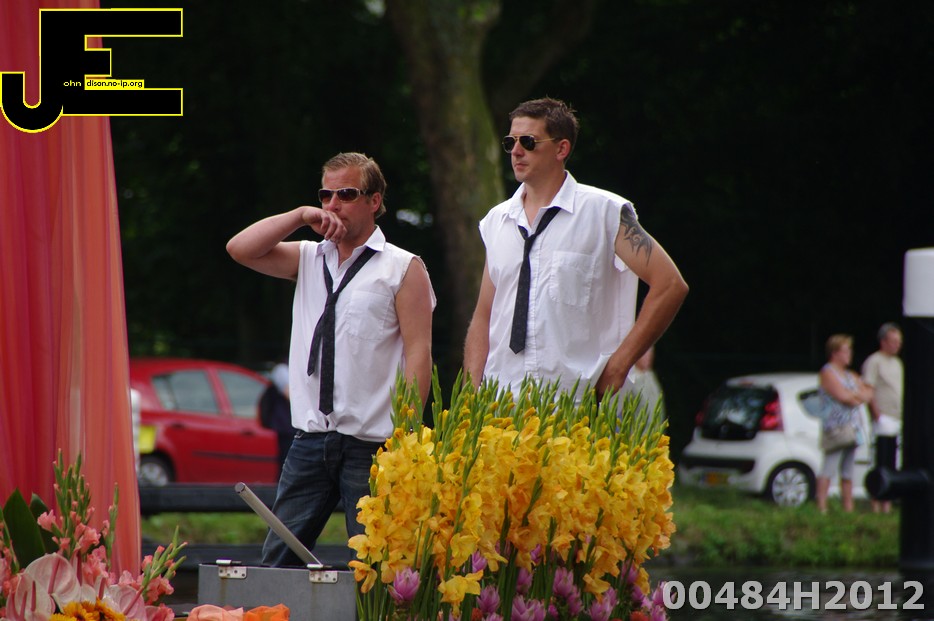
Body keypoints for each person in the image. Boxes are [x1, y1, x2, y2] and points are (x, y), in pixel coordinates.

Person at [227, 152, 435, 566]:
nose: (333, 204)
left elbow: (419, 351)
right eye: (326, 195)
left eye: (346, 194)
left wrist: (406, 433)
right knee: (277, 560)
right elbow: (239, 249)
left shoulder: (402, 267)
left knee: (378, 564)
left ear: (374, 201)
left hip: (372, 443)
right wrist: (300, 215)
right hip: (311, 437)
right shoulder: (309, 256)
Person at [463, 97, 688, 401]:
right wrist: (471, 394)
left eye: (528, 141)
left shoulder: (604, 212)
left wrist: (619, 367)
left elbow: (670, 285)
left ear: (562, 149)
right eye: (510, 142)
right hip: (502, 404)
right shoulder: (497, 221)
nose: (516, 151)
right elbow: (485, 313)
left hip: (577, 403)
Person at [815, 334, 873, 513]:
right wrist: (855, 395)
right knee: (829, 468)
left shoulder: (850, 374)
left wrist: (854, 395)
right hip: (836, 428)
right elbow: (843, 396)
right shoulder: (827, 373)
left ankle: (848, 508)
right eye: (846, 351)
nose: (849, 354)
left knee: (848, 471)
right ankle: (821, 507)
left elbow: (867, 394)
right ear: (835, 353)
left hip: (853, 429)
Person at [861, 322, 904, 513]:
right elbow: (869, 388)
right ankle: (876, 501)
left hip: (897, 417)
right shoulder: (874, 361)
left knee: (893, 461)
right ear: (884, 341)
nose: (897, 345)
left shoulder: (898, 363)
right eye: (894, 341)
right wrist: (877, 414)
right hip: (883, 417)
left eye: (899, 341)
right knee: (881, 459)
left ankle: (887, 502)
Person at [258, 360, 294, 478]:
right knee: (287, 461)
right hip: (286, 425)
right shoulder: (282, 369)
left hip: (292, 425)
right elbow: (289, 394)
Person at [629, 345, 665, 418]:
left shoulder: (651, 376)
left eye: (650, 353)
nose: (648, 357)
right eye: (645, 353)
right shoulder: (630, 378)